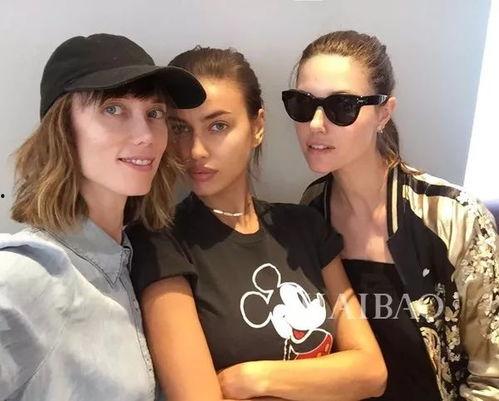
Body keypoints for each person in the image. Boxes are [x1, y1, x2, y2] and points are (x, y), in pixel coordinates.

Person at [127, 46, 387, 401]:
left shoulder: (303, 225)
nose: (195, 150)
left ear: (257, 127)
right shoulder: (160, 241)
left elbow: (371, 372)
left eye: (218, 126)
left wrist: (253, 379)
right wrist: (329, 379)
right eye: (180, 129)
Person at [281, 30, 499, 400]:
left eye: (342, 106)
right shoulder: (311, 211)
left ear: (384, 113)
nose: (316, 124)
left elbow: (491, 379)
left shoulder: (452, 216)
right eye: (303, 104)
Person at [0, 33, 205, 401]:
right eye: (113, 109)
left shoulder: (133, 261)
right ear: (63, 128)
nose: (146, 135)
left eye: (155, 113)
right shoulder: (25, 277)